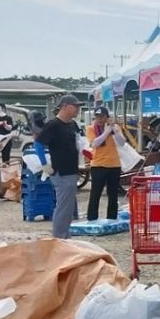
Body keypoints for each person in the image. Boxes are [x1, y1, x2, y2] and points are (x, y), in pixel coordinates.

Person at [34, 94, 83, 239]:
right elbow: (38, 144)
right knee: (63, 207)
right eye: (76, 106)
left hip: (72, 170)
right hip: (61, 172)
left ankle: (65, 235)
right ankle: (59, 237)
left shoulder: (72, 125)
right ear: (65, 106)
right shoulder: (53, 125)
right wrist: (44, 164)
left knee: (68, 208)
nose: (78, 109)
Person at [86, 106, 124, 221]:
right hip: (98, 164)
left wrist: (114, 130)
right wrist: (106, 132)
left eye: (102, 117)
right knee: (95, 193)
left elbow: (122, 142)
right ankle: (92, 218)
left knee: (113, 194)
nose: (100, 120)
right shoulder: (91, 128)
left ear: (107, 117)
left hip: (114, 164)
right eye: (97, 117)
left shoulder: (115, 128)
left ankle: (112, 217)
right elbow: (95, 143)